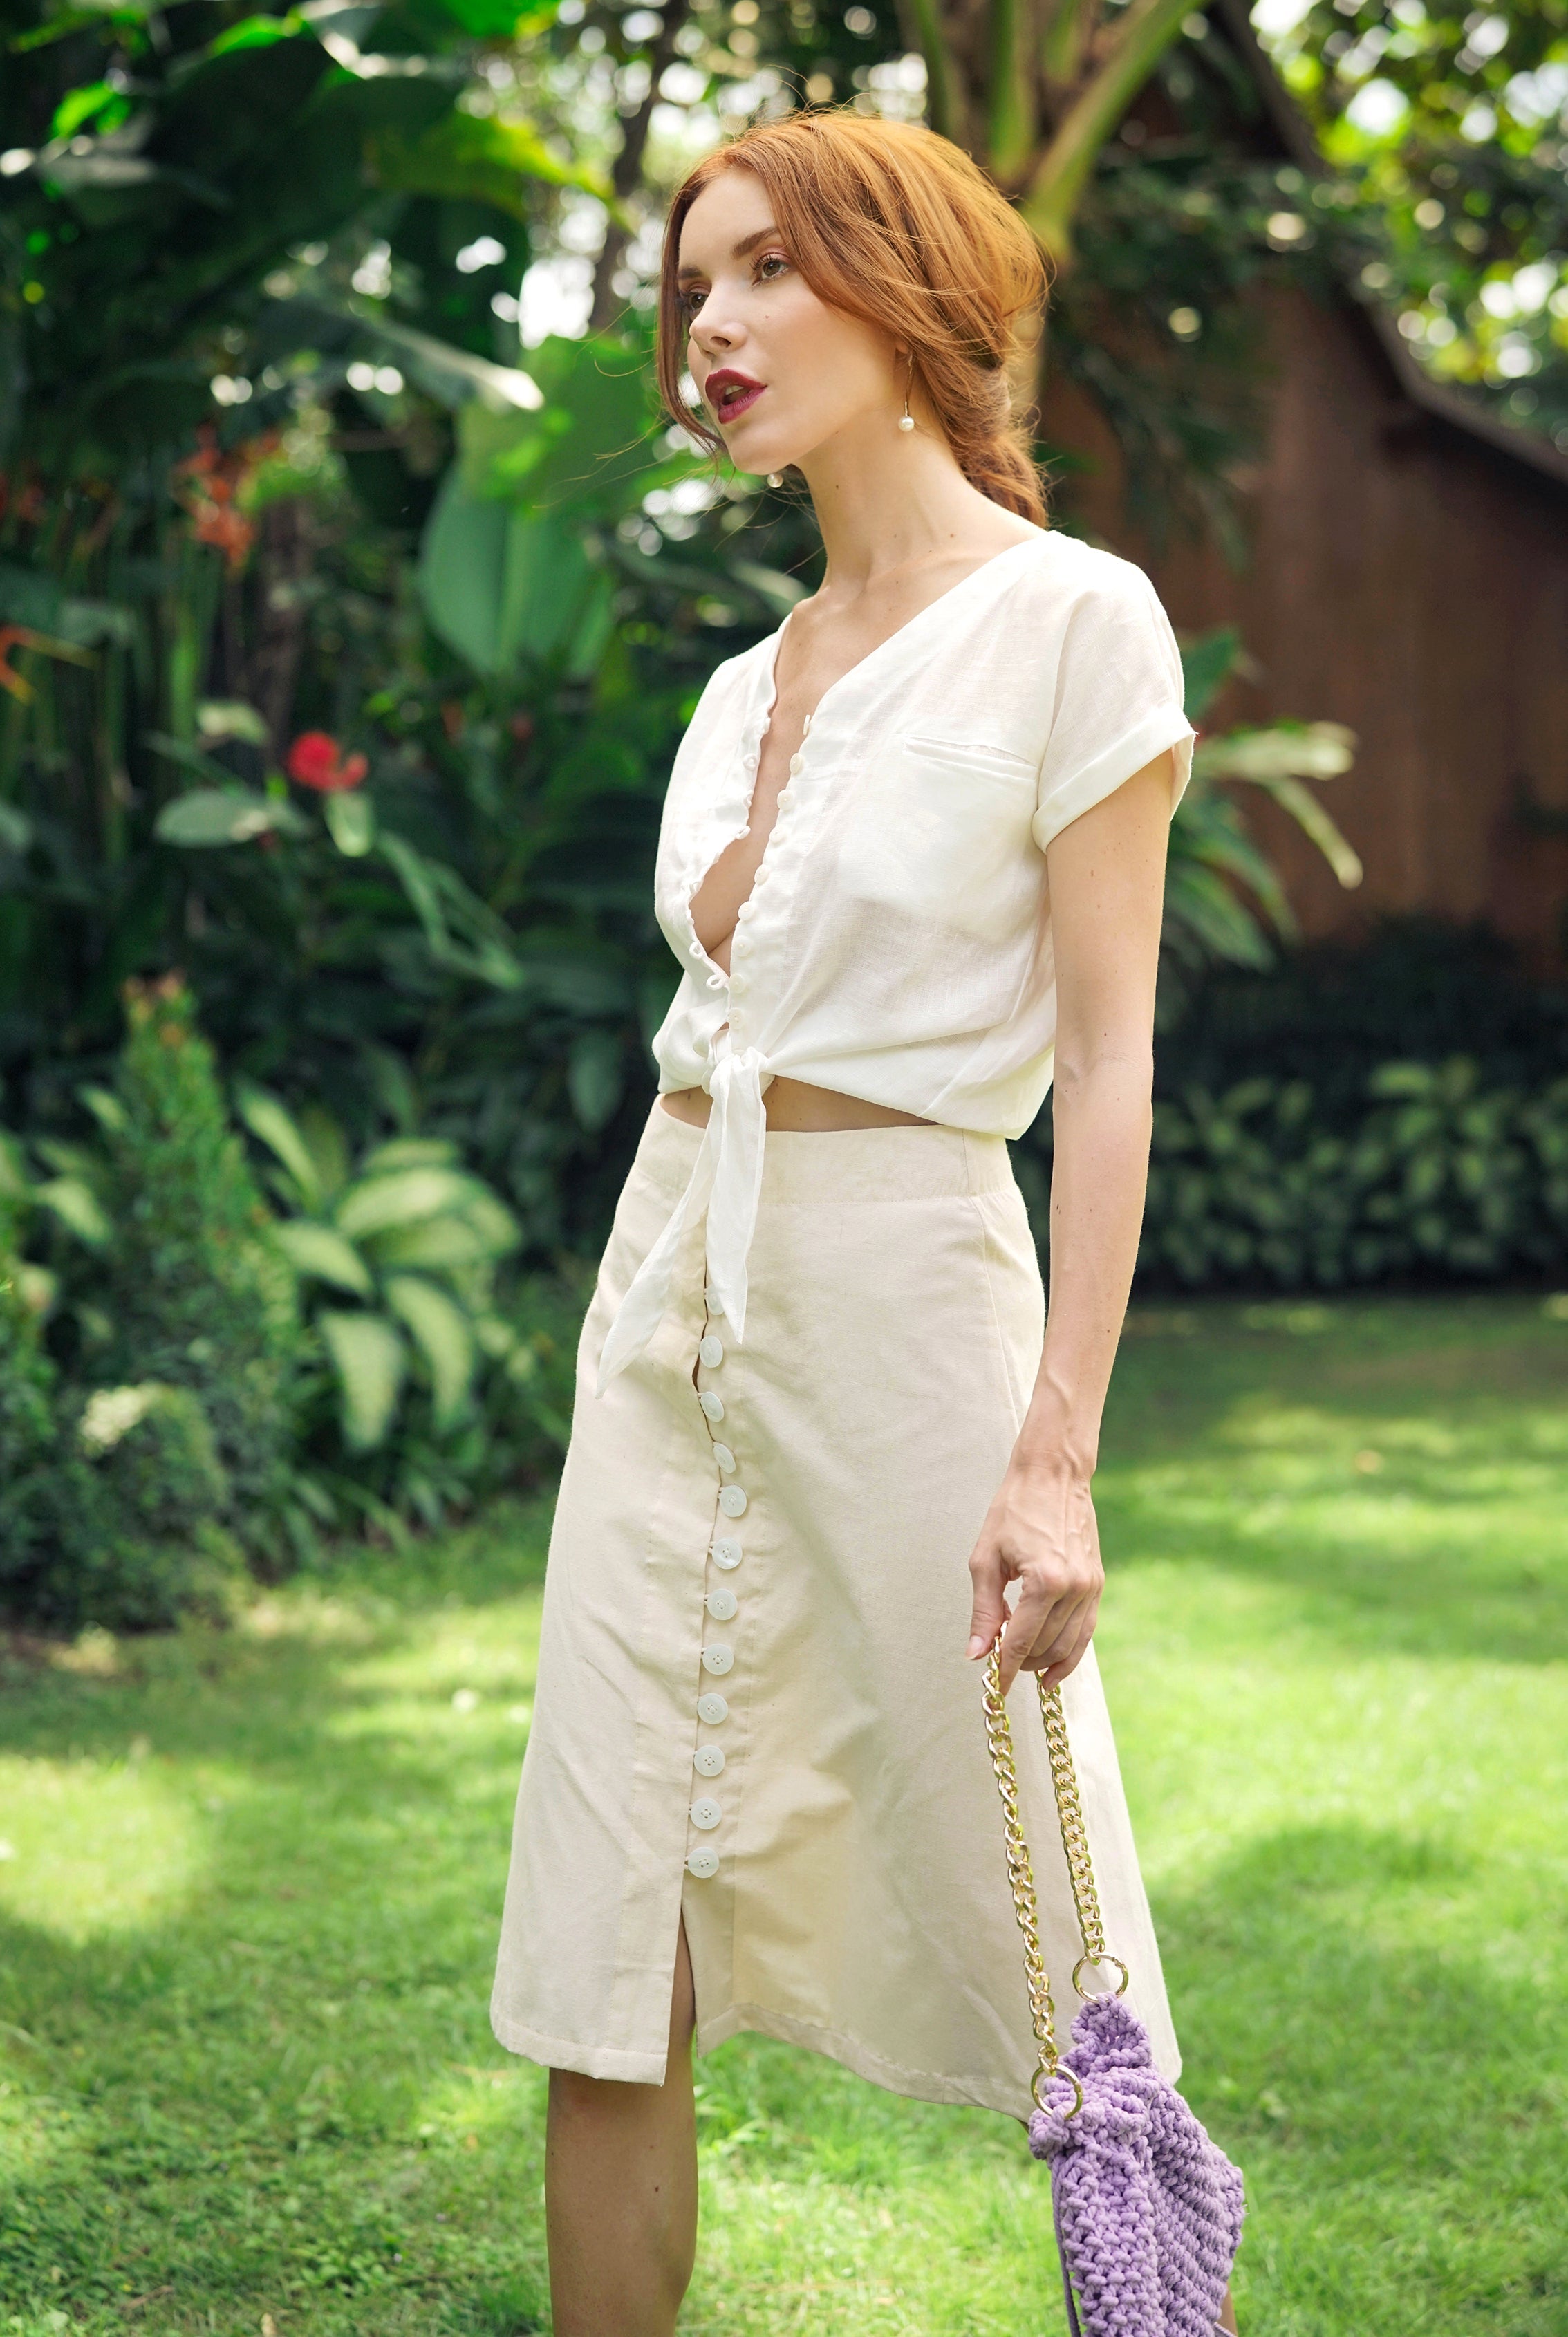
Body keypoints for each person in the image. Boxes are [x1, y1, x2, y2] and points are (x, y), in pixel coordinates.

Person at [491, 106, 1239, 2337]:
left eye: (763, 272)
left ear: (906, 291)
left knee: (1054, 1915)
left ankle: (1153, 2293)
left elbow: (1105, 1061)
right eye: (688, 290)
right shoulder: (742, 684)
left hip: (911, 1298)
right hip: (670, 1304)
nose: (707, 330)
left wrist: (1054, 1450)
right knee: (607, 1947)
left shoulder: (1071, 623)